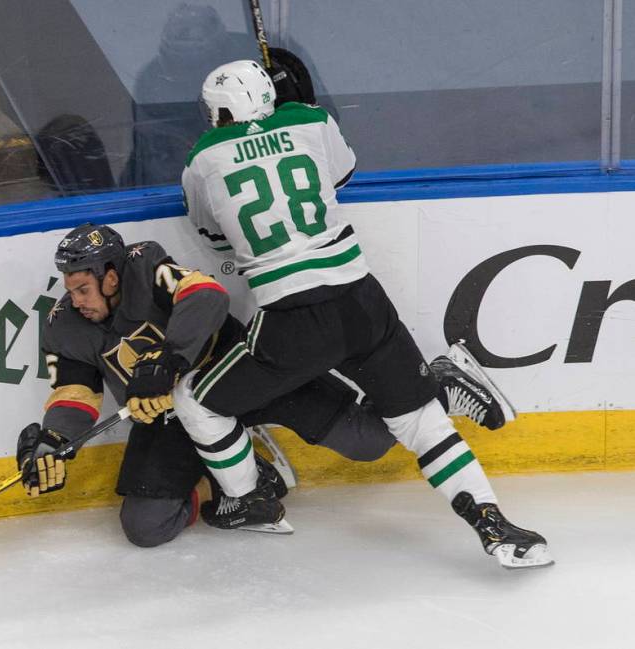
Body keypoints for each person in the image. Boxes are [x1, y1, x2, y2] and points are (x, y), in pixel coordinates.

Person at [174, 60, 552, 569]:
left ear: (219, 111)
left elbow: (214, 234)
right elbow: (342, 172)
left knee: (194, 401)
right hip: (362, 300)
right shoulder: (310, 119)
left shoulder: (201, 157)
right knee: (422, 423)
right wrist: (292, 109)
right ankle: (494, 525)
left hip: (291, 319)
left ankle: (249, 499)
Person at [15, 222, 516, 549]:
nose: (76, 299)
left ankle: (442, 384)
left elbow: (207, 297)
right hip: (173, 417)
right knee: (145, 527)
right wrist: (54, 438)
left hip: (244, 372)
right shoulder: (66, 324)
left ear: (110, 276)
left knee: (368, 444)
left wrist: (168, 361)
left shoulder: (147, 267)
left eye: (83, 287)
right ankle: (247, 470)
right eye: (70, 289)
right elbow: (74, 392)